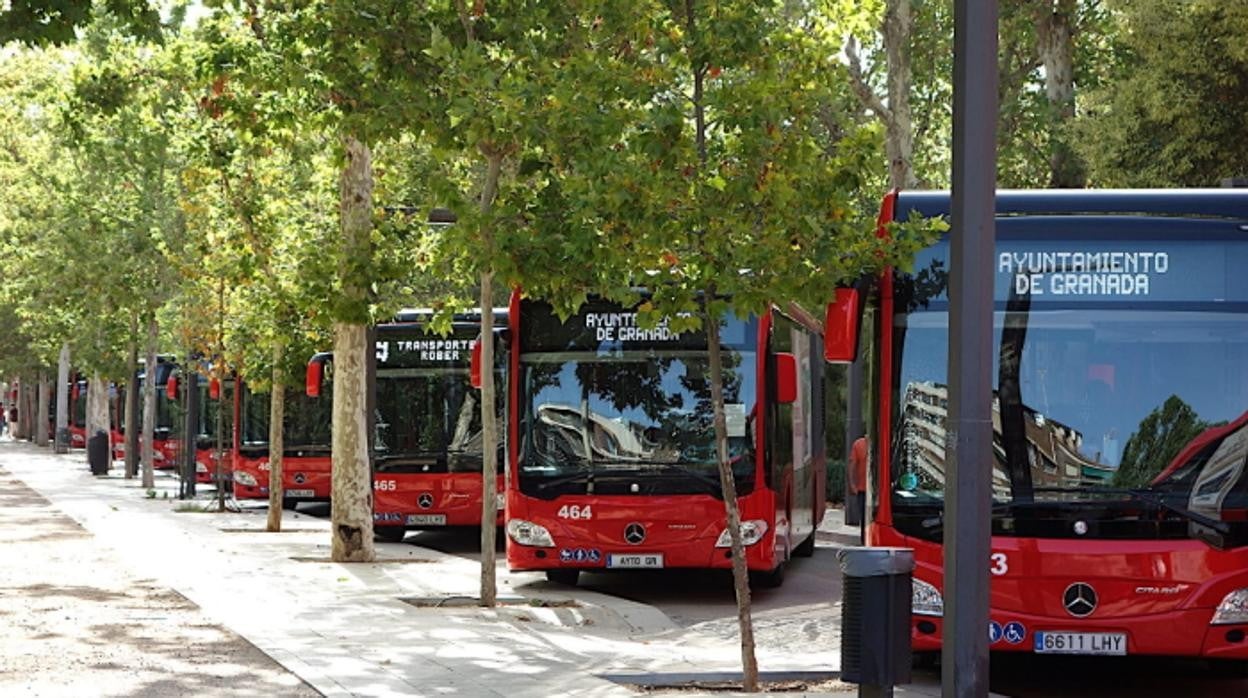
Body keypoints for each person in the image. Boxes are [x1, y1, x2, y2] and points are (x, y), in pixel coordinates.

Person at [847, 436, 868, 542]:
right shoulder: (859, 444)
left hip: (878, 490)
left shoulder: (882, 443)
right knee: (863, 517)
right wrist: (852, 484)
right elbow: (852, 465)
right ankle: (864, 539)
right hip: (862, 489)